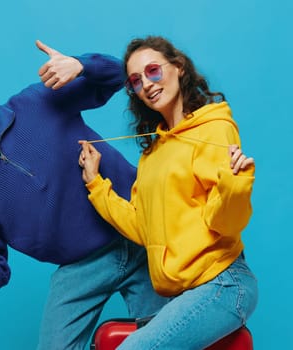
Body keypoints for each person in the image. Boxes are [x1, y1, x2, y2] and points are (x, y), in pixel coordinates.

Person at [0, 40, 167, 350]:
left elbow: (119, 74)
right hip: (81, 268)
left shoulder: (36, 102)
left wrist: (80, 64)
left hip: (141, 228)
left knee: (175, 334)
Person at [79, 35, 258, 349]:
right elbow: (142, 228)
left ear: (179, 68)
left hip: (224, 283)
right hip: (185, 294)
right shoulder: (152, 155)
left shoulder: (214, 128)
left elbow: (226, 224)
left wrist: (235, 186)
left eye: (153, 71)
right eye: (136, 80)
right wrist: (96, 185)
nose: (146, 84)